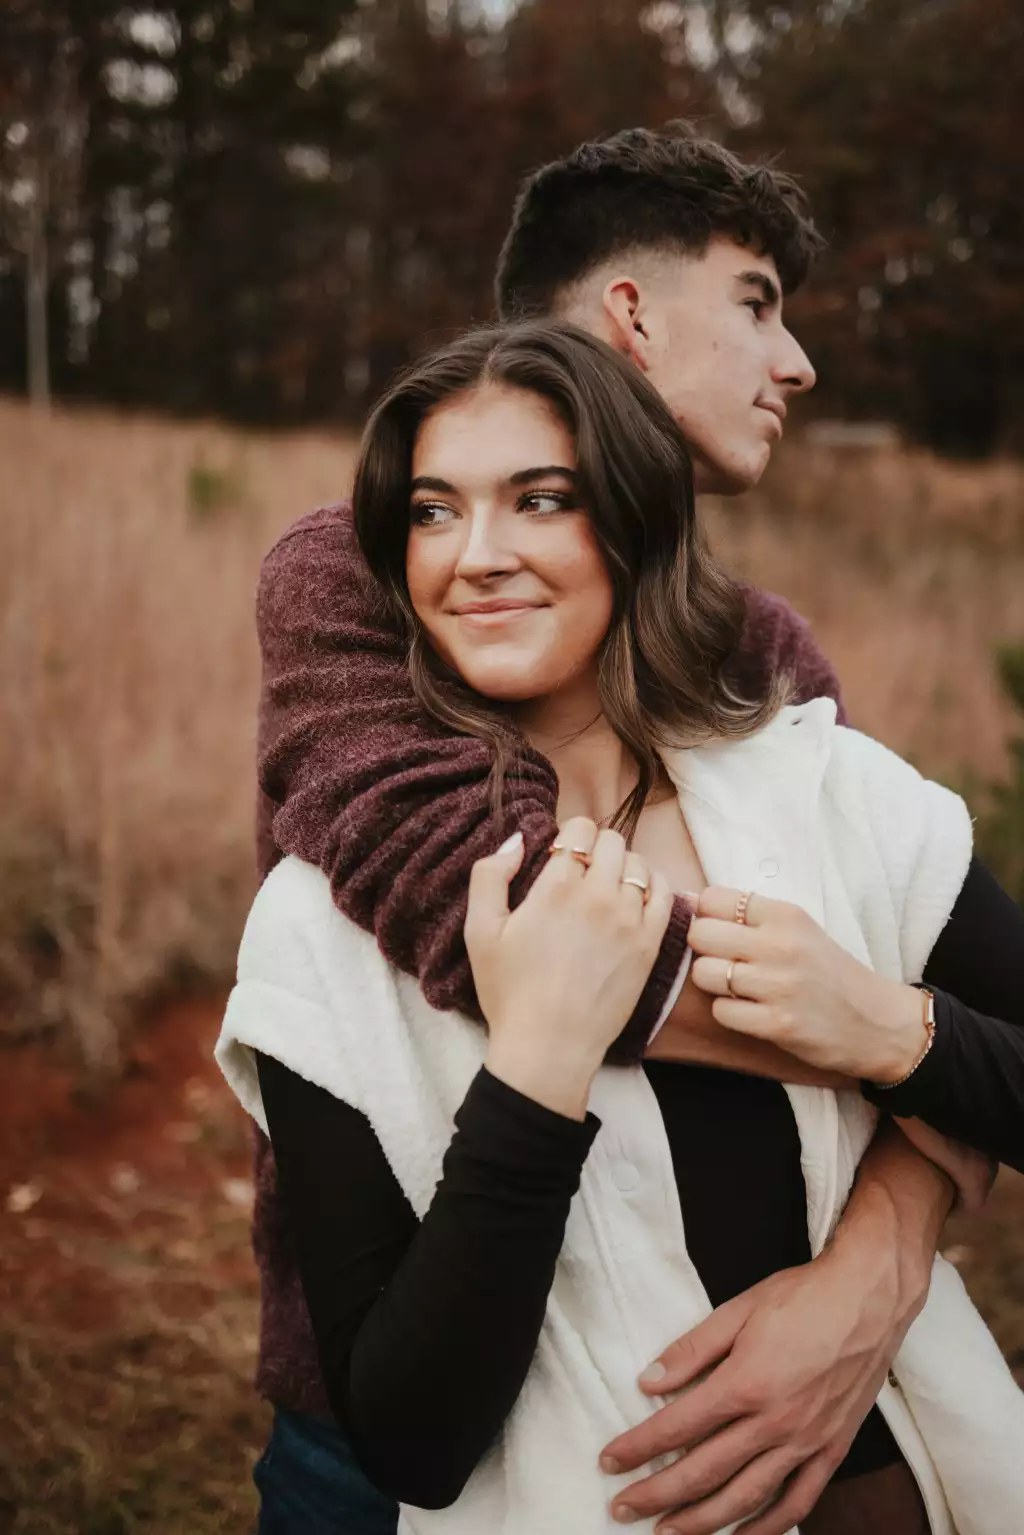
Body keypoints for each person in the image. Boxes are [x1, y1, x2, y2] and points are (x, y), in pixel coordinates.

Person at [248, 126, 1002, 1533]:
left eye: (543, 501)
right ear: (633, 316)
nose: (799, 364)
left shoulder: (768, 659)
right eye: (760, 301)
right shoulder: (352, 572)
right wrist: (868, 1021)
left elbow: (904, 967)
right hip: (417, 1401)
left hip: (779, 1380)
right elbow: (496, 904)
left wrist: (876, 1265)